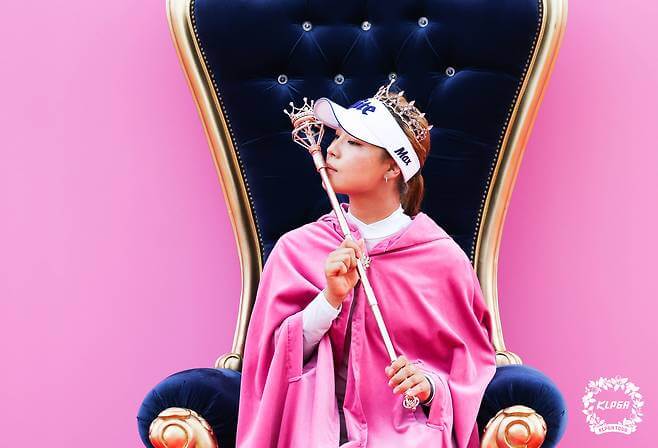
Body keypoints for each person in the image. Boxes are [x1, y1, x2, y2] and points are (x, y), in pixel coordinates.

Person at [235, 79, 497, 447]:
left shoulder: (442, 260)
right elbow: (270, 362)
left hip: (406, 436)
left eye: (353, 142)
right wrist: (329, 299)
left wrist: (430, 387)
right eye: (336, 138)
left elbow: (472, 367)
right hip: (313, 432)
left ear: (393, 167)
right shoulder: (295, 250)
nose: (332, 149)